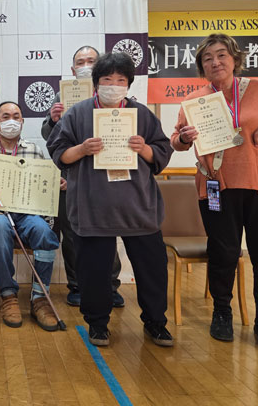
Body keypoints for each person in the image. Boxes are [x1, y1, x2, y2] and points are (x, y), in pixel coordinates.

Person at [171, 33, 258, 350]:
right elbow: (177, 141)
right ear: (201, 66)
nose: (215, 62)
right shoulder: (194, 101)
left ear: (235, 60)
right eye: (208, 58)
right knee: (223, 253)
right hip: (218, 186)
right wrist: (184, 138)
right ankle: (222, 313)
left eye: (222, 55)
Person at [47, 52, 174, 347]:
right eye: (107, 79)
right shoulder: (77, 114)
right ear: (96, 83)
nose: (113, 86)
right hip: (93, 205)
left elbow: (161, 152)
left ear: (128, 84)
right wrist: (82, 149)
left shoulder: (141, 114)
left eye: (120, 80)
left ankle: (156, 322)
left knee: (152, 269)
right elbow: (59, 153)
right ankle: (98, 323)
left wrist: (144, 149)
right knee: (94, 270)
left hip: (138, 205)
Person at [0, 101, 61, 330]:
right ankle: (8, 295)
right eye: (5, 117)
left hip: (26, 214)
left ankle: (40, 298)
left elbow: (43, 186)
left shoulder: (34, 151)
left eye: (16, 117)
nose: (11, 121)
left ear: (22, 121)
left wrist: (56, 185)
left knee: (44, 232)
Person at [42, 45, 124, 308]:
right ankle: (77, 285)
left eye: (91, 61)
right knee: (72, 233)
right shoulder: (62, 95)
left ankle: (111, 286)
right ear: (72, 68)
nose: (85, 66)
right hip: (72, 175)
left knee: (108, 231)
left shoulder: (113, 93)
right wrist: (54, 120)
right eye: (80, 62)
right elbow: (49, 137)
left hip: (106, 174)